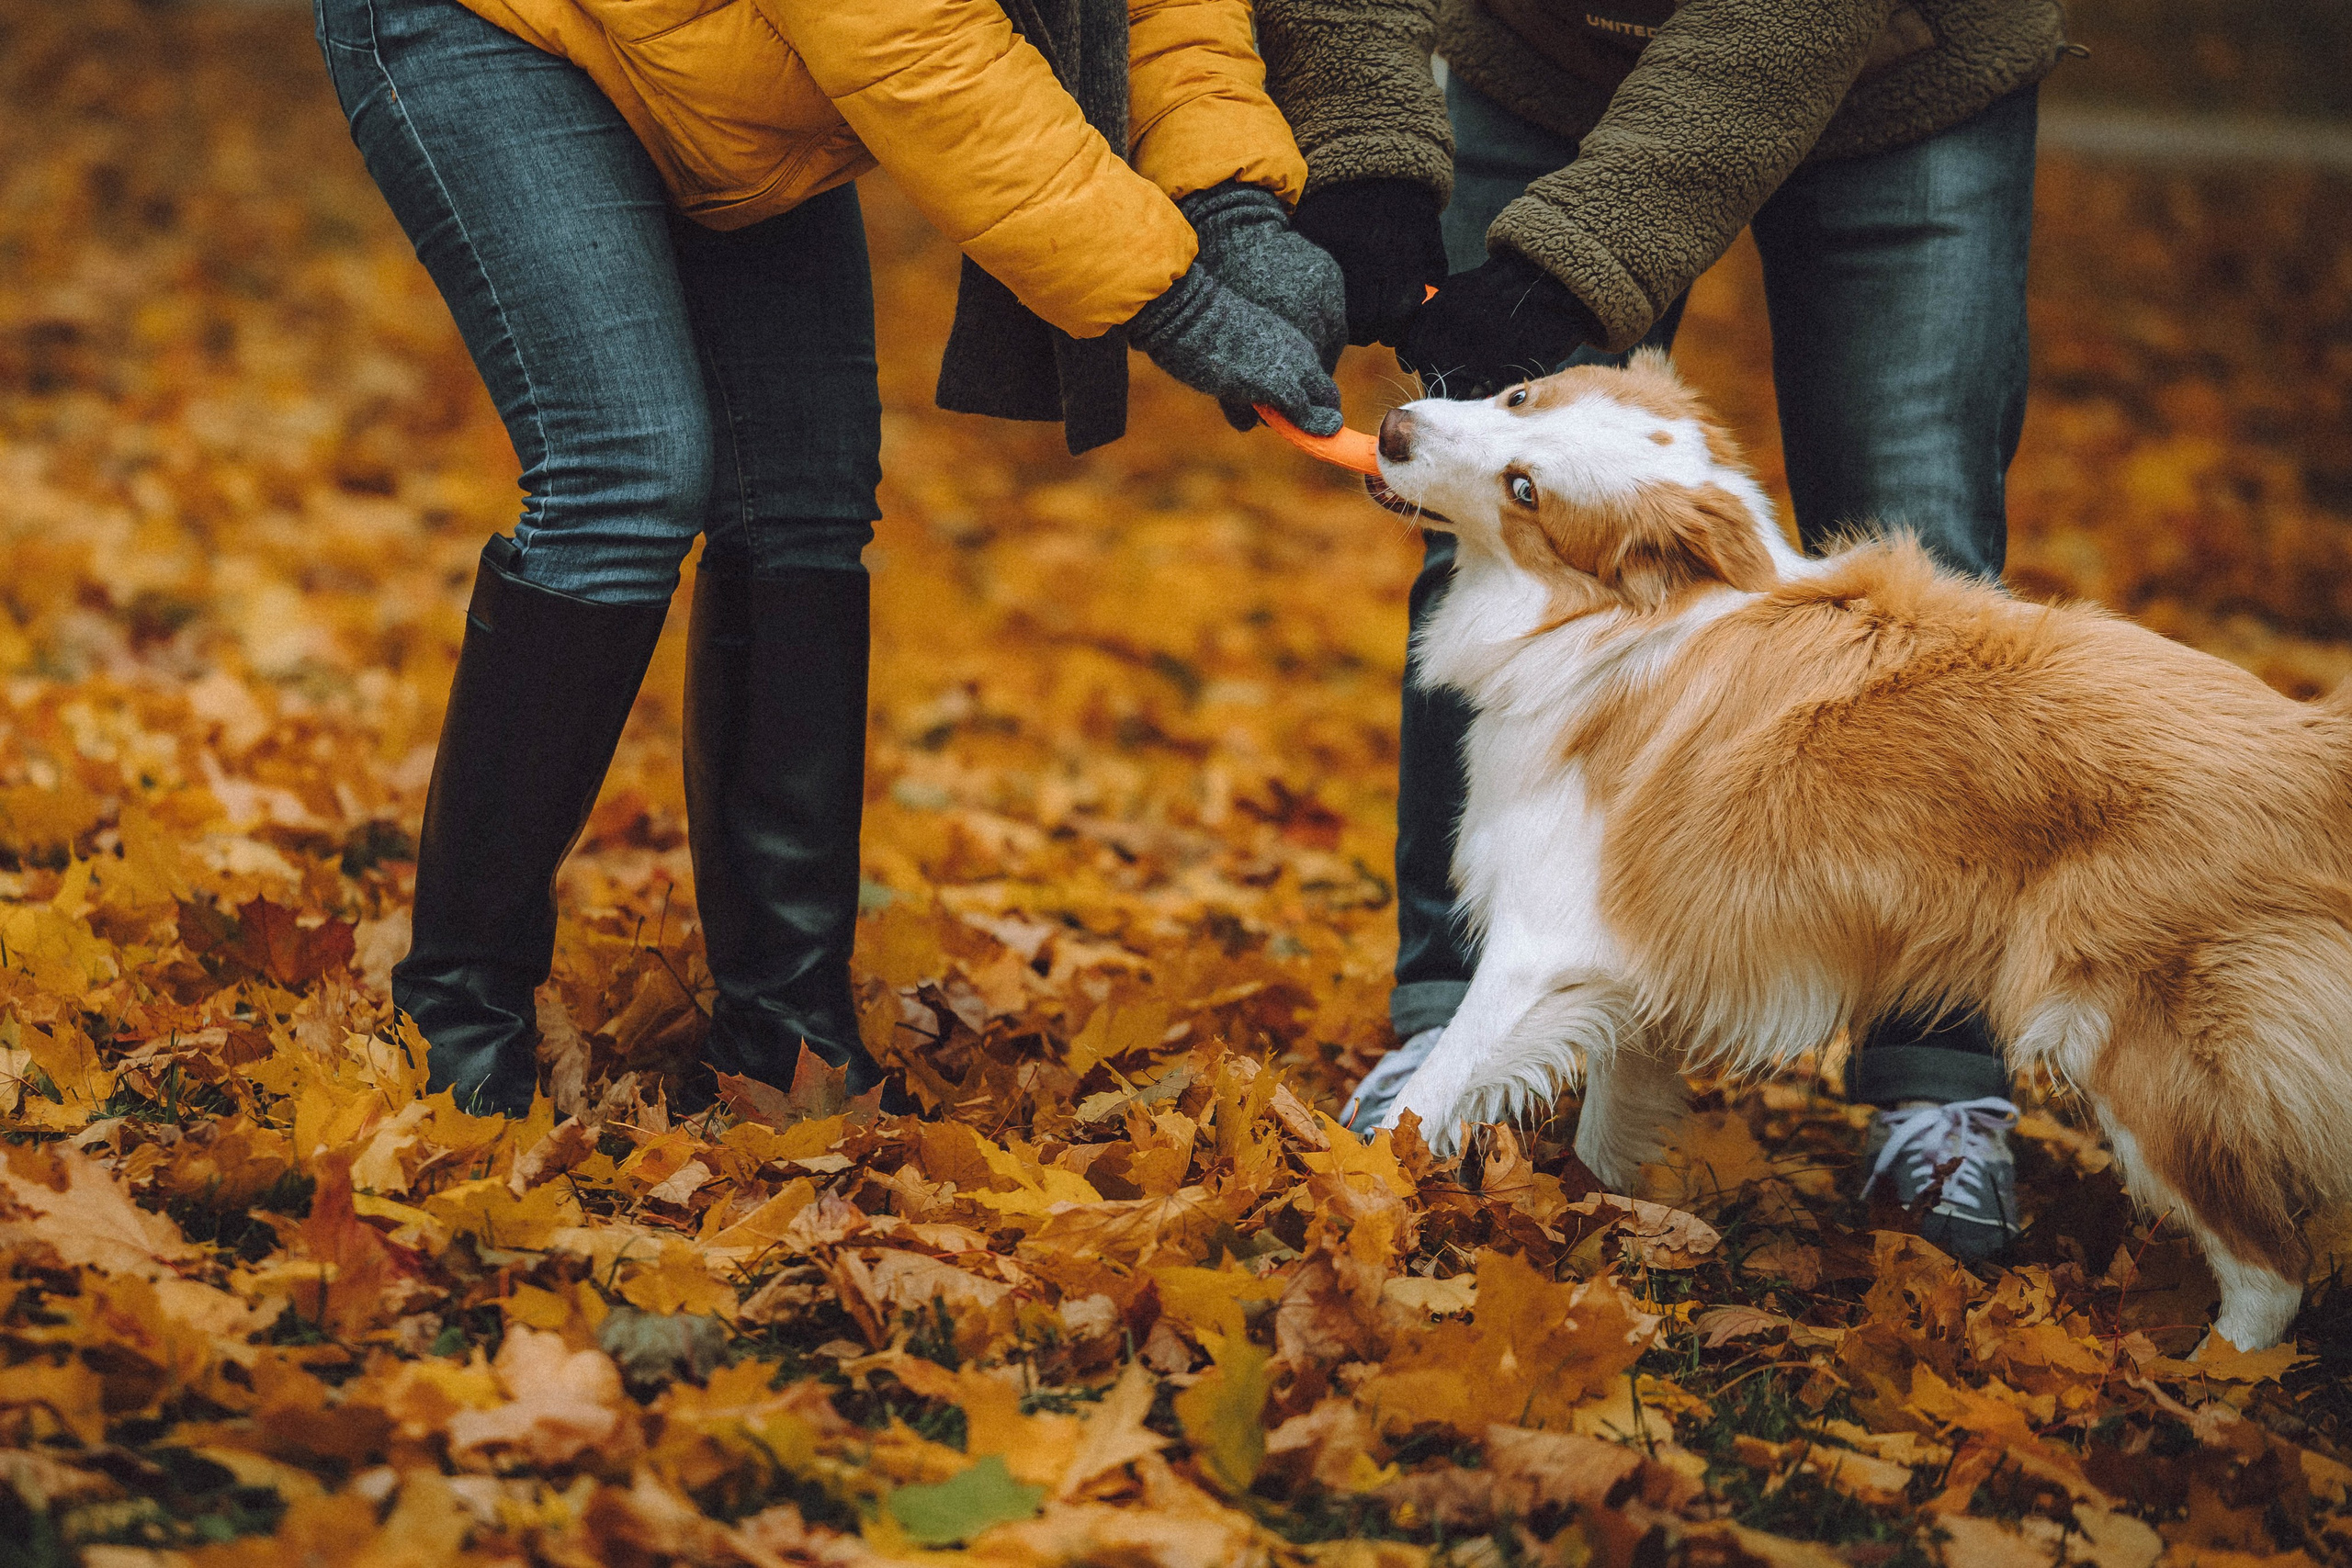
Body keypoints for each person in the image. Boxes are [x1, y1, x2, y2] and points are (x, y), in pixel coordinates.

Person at [312, 0, 1349, 1117]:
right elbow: (915, 39)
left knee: (804, 491)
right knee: (630, 469)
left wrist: (1233, 206)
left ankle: (786, 1033)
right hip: (504, 27)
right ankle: (460, 1018)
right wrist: (1178, 297)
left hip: (734, 69)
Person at [1261, 0, 2069, 1260]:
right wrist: (1365, 144)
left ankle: (1936, 1080)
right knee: (1486, 514)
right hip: (1541, 59)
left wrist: (1565, 261)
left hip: (1905, 74)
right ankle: (1452, 1001)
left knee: (1923, 528)